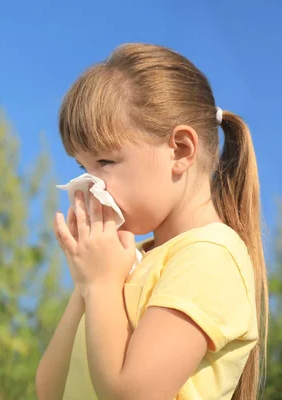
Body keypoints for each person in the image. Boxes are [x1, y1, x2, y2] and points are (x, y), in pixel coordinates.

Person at [35, 43, 268, 400]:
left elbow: (133, 394)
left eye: (106, 162)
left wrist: (100, 285)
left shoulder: (210, 258)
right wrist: (86, 286)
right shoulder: (123, 265)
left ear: (181, 150)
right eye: (84, 168)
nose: (90, 185)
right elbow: (50, 389)